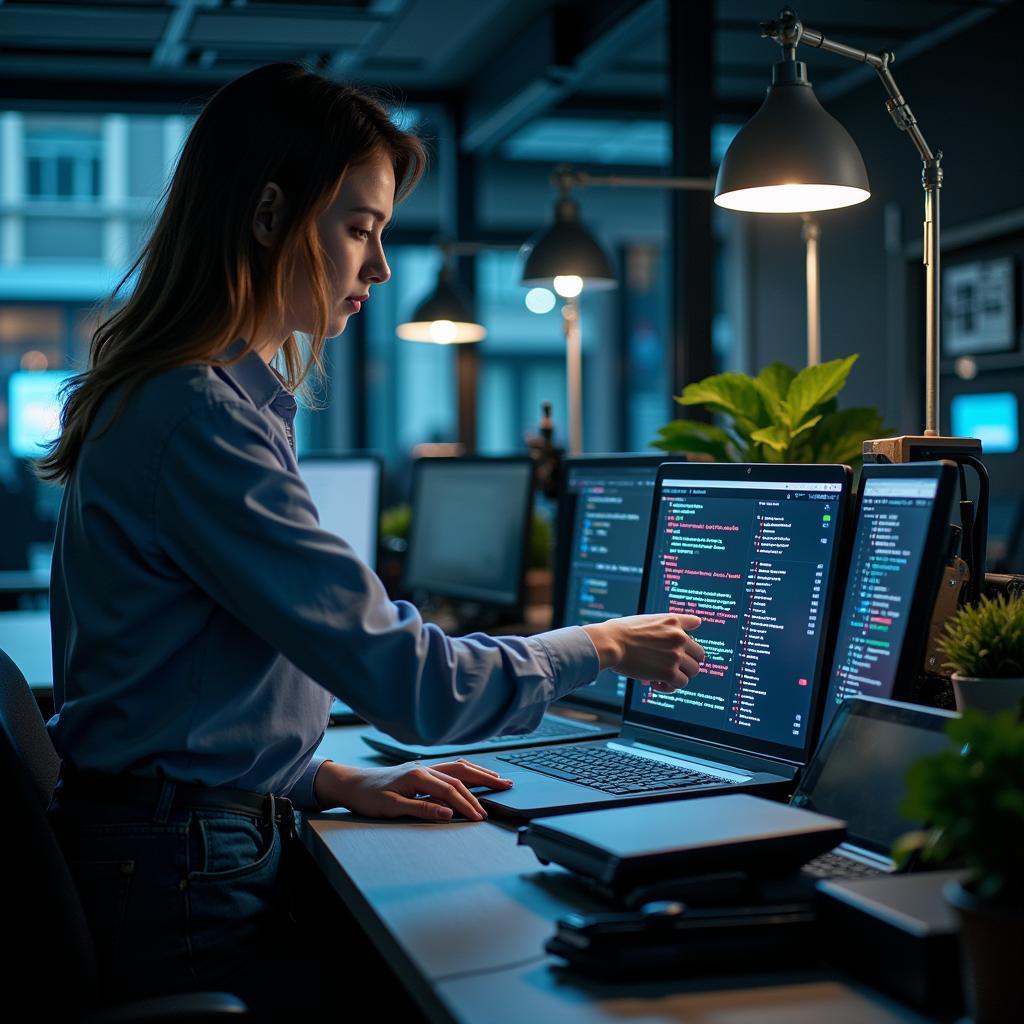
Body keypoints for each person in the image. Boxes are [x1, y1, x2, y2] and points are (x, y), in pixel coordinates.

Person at [39, 63, 704, 1014]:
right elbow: (412, 687)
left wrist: (327, 778)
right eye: (361, 229)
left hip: (179, 850)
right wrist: (598, 645)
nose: (380, 267)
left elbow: (186, 701)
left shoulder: (204, 401)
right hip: (182, 877)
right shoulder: (200, 418)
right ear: (269, 215)